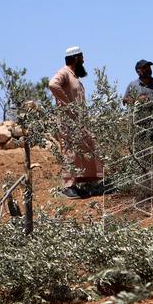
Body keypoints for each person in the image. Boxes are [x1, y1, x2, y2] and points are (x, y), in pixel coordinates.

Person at [49, 46, 102, 198]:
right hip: (68, 122)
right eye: (82, 57)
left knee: (87, 146)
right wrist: (66, 103)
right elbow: (53, 84)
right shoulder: (64, 73)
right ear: (76, 58)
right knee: (70, 151)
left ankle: (83, 182)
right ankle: (67, 186)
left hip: (78, 121)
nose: (84, 60)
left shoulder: (73, 76)